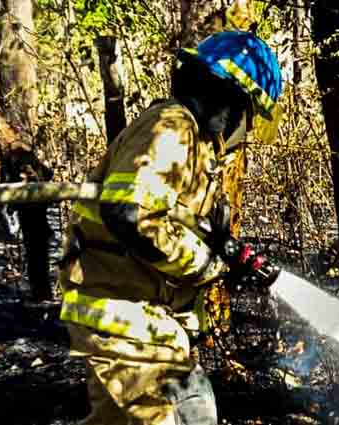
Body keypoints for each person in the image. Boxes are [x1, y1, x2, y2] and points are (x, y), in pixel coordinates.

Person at [57, 30, 282, 425]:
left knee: (192, 411)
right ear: (229, 100)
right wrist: (206, 266)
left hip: (149, 322)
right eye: (248, 114)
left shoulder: (197, 146)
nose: (244, 130)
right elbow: (129, 214)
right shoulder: (172, 127)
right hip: (121, 316)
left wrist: (228, 256)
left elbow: (178, 222)